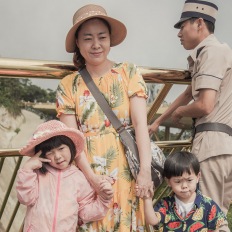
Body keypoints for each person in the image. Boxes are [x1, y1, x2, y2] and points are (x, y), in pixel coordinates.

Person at [56, 4, 152, 231]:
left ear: (110, 40)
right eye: (88, 38)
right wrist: (92, 179)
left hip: (127, 171)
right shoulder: (68, 85)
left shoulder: (128, 72)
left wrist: (145, 171)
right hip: (88, 173)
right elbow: (73, 140)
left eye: (102, 37)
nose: (96, 45)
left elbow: (140, 125)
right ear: (78, 44)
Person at [148, 1, 232, 230]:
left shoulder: (212, 52)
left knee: (205, 218)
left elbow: (204, 105)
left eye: (182, 25)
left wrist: (181, 113)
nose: (179, 33)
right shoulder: (211, 52)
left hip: (211, 145)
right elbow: (187, 93)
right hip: (224, 147)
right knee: (218, 218)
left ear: (199, 23)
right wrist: (156, 123)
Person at [16, 120, 113, 232]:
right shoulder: (37, 174)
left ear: (70, 147)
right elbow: (25, 199)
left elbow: (85, 213)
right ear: (41, 154)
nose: (57, 156)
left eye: (61, 149)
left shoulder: (79, 178)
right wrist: (27, 169)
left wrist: (104, 199)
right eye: (50, 152)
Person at [143, 151, 227, 231]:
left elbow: (216, 228)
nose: (184, 186)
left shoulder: (208, 204)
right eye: (178, 181)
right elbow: (152, 221)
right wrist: (147, 199)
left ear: (198, 177)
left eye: (189, 180)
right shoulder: (165, 204)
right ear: (168, 181)